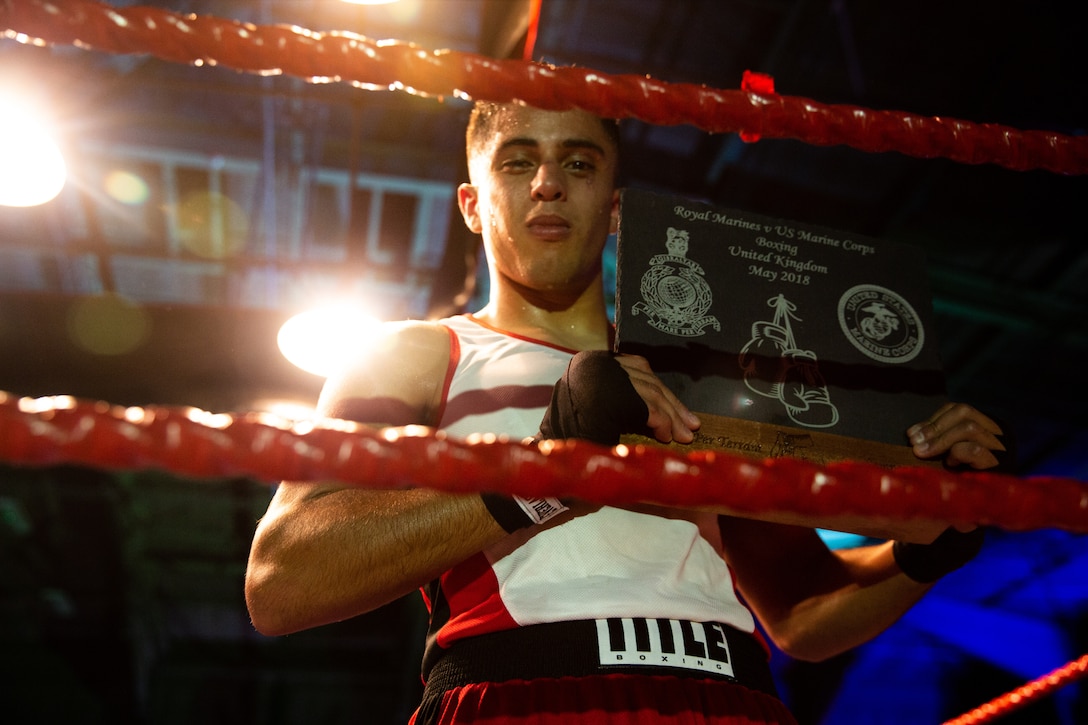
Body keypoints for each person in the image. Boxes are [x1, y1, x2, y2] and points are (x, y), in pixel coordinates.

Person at [245, 102, 1008, 724]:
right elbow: (282, 580)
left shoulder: (701, 379)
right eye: (518, 160)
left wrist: (931, 545)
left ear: (614, 210)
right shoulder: (412, 353)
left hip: (730, 697)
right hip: (524, 691)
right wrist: (546, 467)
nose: (548, 183)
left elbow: (804, 611)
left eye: (578, 162)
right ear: (473, 206)